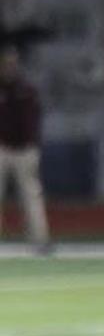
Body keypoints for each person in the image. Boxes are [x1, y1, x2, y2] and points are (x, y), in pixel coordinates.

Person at [0, 51, 50, 254]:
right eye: (6, 64)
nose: (10, 68)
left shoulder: (27, 90)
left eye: (13, 64)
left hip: (25, 150)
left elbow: (35, 119)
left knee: (32, 196)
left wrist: (33, 145)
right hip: (2, 148)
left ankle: (39, 240)